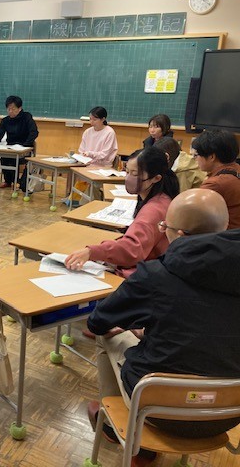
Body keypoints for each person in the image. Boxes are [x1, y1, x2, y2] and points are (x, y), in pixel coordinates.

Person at [86, 189, 240, 466]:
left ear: (178, 234)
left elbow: (97, 322)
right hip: (228, 413)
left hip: (159, 411)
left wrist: (139, 328)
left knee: (105, 336)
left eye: (163, 227)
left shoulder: (156, 275)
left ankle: (114, 424)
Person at [65, 147, 179, 279]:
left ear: (156, 178)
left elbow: (132, 249)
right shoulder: (162, 198)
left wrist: (92, 252)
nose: (128, 177)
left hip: (142, 276)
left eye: (135, 174)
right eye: (127, 171)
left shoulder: (153, 209)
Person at [67, 106, 119, 205]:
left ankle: (91, 202)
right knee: (75, 173)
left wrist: (90, 154)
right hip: (87, 164)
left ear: (103, 119)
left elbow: (104, 154)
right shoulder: (88, 132)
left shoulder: (109, 132)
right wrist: (82, 156)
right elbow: (82, 149)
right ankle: (76, 200)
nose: (91, 122)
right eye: (90, 119)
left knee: (92, 182)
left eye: (95, 119)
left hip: (102, 167)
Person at [0, 95, 38, 188]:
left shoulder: (27, 117)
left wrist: (26, 145)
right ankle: (8, 181)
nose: (10, 111)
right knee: (4, 158)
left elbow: (34, 132)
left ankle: (16, 182)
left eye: (13, 109)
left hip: (25, 147)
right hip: (11, 147)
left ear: (19, 108)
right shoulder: (5, 121)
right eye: (8, 109)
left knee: (13, 160)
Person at [191, 129, 240, 229]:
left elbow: (192, 214)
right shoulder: (236, 168)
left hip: (225, 236)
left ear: (211, 157)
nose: (194, 159)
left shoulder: (215, 184)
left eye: (196, 155)